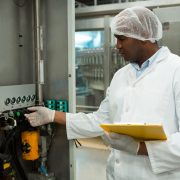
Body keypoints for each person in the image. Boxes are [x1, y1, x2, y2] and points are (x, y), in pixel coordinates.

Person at [25, 6, 180, 180]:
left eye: (122, 38)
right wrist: (53, 115)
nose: (117, 46)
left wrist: (139, 148)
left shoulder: (175, 70)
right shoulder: (121, 75)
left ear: (144, 36)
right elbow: (100, 120)